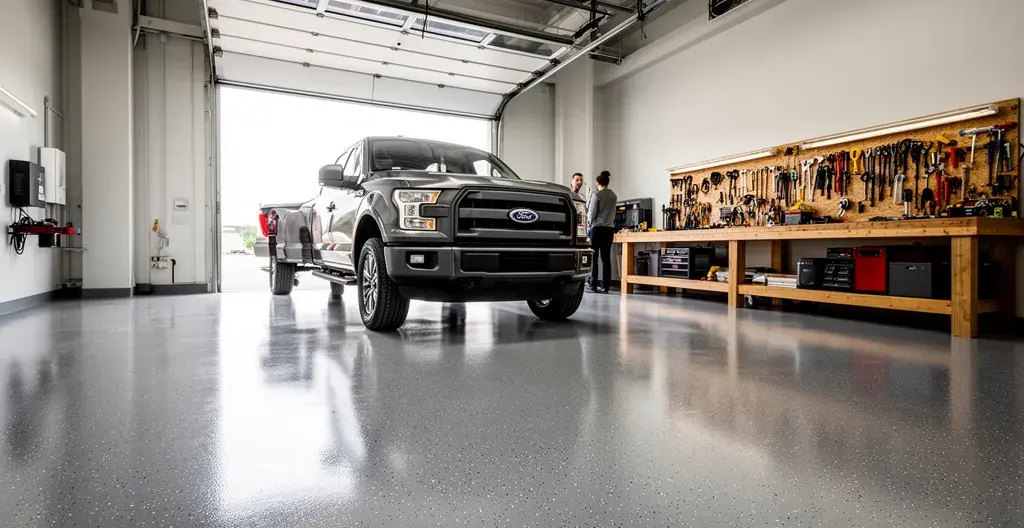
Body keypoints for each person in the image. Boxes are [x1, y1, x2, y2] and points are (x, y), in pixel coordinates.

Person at [587, 171, 617, 293]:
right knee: (606, 259)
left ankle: (593, 284)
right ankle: (606, 286)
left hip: (597, 229)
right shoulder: (613, 196)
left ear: (597, 183)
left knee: (594, 258)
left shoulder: (596, 195)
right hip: (609, 229)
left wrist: (589, 222)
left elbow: (592, 213)